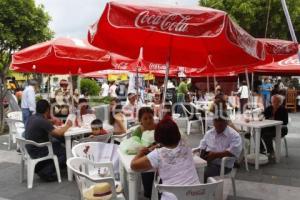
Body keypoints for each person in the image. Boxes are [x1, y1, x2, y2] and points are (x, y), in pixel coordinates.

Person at [131, 116, 200, 200]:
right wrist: (159, 145)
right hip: (196, 195)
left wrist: (140, 152)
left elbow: (133, 166)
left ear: (158, 137)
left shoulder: (158, 154)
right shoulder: (186, 147)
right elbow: (172, 145)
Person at [24, 100, 72, 181]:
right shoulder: (42, 121)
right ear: (47, 110)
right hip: (39, 150)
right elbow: (58, 133)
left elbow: (43, 123)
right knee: (66, 152)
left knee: (57, 144)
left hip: (30, 148)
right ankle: (46, 171)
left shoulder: (32, 117)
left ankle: (46, 167)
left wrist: (51, 121)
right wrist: (68, 125)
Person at [196, 111, 242, 182]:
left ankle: (204, 191)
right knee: (191, 169)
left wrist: (215, 155)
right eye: (216, 121)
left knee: (202, 172)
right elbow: (201, 147)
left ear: (226, 122)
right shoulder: (209, 133)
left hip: (223, 166)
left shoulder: (234, 136)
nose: (218, 124)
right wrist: (202, 154)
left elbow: (233, 152)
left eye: (221, 121)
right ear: (213, 122)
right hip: (207, 162)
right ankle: (196, 189)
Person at [131, 107, 156, 198]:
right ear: (140, 120)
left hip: (158, 156)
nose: (148, 120)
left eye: (150, 117)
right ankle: (148, 193)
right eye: (145, 118)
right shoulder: (139, 130)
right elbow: (134, 144)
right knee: (147, 172)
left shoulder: (158, 128)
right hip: (144, 156)